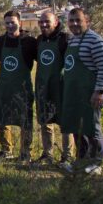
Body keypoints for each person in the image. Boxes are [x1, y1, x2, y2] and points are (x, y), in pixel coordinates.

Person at [61, 8, 103, 175]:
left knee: (92, 127)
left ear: (86, 21)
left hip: (90, 94)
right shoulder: (73, 40)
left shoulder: (96, 41)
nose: (74, 23)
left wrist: (99, 91)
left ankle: (96, 162)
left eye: (78, 20)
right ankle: (81, 160)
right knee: (77, 127)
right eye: (71, 20)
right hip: (74, 93)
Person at [0, 10, 37, 162]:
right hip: (3, 86)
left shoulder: (29, 41)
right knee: (2, 119)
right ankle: (6, 149)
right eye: (7, 23)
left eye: (12, 22)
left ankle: (25, 152)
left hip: (22, 87)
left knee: (25, 120)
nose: (10, 25)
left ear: (20, 23)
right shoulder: (0, 41)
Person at [35, 11, 74, 164]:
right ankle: (47, 155)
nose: (44, 25)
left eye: (47, 22)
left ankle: (67, 156)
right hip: (43, 87)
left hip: (61, 87)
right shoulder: (39, 40)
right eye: (41, 22)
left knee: (65, 123)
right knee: (45, 122)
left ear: (56, 22)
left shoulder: (65, 39)